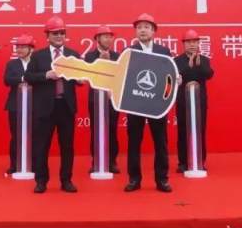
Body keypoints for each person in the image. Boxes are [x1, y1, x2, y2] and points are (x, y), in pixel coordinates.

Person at [25, 16, 81, 194]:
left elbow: (80, 78)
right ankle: (41, 181)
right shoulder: (37, 56)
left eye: (62, 33)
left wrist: (81, 78)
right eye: (55, 33)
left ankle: (66, 180)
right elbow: (28, 77)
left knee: (67, 146)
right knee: (42, 146)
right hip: (44, 108)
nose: (59, 36)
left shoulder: (73, 55)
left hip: (66, 106)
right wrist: (46, 75)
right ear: (47, 36)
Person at [124, 13, 174, 193]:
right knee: (134, 143)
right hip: (135, 103)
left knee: (161, 142)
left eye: (146, 27)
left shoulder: (164, 52)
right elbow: (123, 78)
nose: (142, 30)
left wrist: (176, 79)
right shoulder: (129, 52)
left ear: (153, 31)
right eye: (139, 27)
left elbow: (169, 77)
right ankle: (134, 179)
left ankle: (162, 180)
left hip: (157, 105)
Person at [173, 29, 214, 172]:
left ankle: (200, 161)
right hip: (183, 102)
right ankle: (183, 162)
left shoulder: (204, 60)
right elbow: (175, 78)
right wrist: (188, 65)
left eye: (194, 42)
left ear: (198, 44)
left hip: (199, 103)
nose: (192, 45)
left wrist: (198, 64)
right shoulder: (176, 61)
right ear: (183, 44)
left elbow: (209, 75)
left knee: (200, 130)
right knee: (183, 131)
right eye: (188, 42)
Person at [85, 25, 121, 174]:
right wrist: (100, 62)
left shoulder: (117, 56)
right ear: (97, 39)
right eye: (105, 36)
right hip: (96, 100)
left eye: (110, 36)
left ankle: (112, 161)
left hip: (112, 99)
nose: (108, 39)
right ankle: (96, 161)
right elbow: (89, 76)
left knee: (112, 129)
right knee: (96, 130)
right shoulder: (90, 56)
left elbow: (119, 76)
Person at [3, 34, 35, 175]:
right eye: (18, 47)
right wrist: (23, 78)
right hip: (15, 105)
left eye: (23, 47)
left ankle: (34, 164)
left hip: (35, 105)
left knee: (35, 136)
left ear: (31, 49)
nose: (19, 50)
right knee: (16, 136)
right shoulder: (12, 64)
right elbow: (7, 80)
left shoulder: (37, 63)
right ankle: (14, 165)